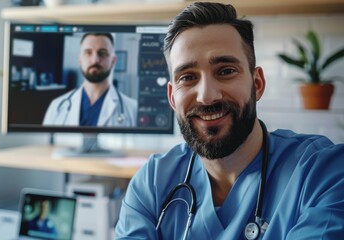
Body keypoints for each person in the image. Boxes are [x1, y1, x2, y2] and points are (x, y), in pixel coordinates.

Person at [115, 2, 344, 240]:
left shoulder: (322, 173)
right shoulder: (152, 182)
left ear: (257, 84)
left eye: (225, 71)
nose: (206, 96)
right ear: (172, 97)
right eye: (188, 77)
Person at [43, 32, 138, 127]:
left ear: (113, 61)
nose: (95, 60)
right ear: (79, 59)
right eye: (88, 52)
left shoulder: (133, 109)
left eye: (102, 53)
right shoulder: (57, 107)